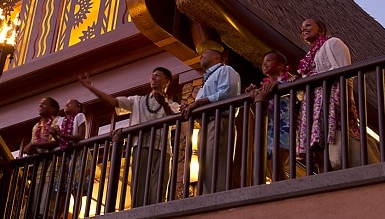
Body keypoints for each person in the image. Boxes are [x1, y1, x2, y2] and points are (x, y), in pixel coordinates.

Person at [79, 67, 177, 206]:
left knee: (159, 189)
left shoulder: (172, 105)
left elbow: (174, 120)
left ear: (166, 81)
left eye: (157, 76)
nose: (153, 78)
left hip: (163, 149)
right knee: (139, 188)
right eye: (152, 75)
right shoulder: (137, 101)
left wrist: (164, 104)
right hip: (140, 146)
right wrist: (92, 88)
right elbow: (113, 102)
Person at [296, 18, 361, 171]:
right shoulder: (308, 56)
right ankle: (324, 175)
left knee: (325, 140)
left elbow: (347, 74)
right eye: (302, 28)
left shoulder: (333, 43)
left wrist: (348, 101)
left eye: (308, 26)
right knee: (314, 143)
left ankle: (332, 175)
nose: (304, 29)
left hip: (330, 96)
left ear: (321, 30)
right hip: (312, 103)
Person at [179, 43, 240, 194]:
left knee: (217, 162)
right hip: (206, 124)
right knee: (205, 164)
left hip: (220, 120)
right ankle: (208, 196)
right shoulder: (206, 80)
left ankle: (218, 198)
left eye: (205, 53)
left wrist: (199, 102)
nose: (201, 56)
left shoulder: (225, 70)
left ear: (216, 56)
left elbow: (227, 92)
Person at [246, 50, 296, 181]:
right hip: (269, 131)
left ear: (280, 66)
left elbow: (298, 95)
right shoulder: (264, 88)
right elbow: (257, 113)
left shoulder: (289, 82)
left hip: (285, 128)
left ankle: (287, 197)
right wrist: (253, 98)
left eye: (269, 60)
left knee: (276, 165)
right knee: (271, 169)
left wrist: (279, 85)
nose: (264, 64)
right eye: (263, 62)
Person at [51, 99, 88, 215]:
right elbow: (60, 142)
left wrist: (62, 135)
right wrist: (55, 136)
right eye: (66, 103)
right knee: (62, 190)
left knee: (76, 189)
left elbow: (81, 137)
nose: (66, 104)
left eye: (70, 103)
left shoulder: (80, 116)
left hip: (78, 155)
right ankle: (59, 215)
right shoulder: (60, 120)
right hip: (65, 157)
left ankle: (76, 215)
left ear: (78, 108)